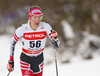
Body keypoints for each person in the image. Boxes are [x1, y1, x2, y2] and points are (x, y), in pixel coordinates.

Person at [7, 5, 60, 76]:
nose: (37, 20)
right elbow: (12, 43)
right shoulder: (22, 29)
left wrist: (55, 38)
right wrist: (11, 60)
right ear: (30, 17)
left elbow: (57, 44)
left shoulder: (46, 27)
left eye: (39, 17)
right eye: (34, 17)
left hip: (39, 59)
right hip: (26, 59)